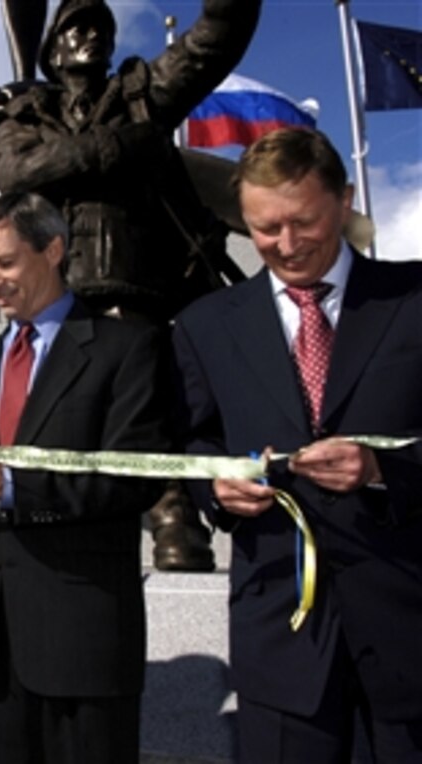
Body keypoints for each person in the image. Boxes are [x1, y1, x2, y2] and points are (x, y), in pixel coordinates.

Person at [172, 127, 422, 762]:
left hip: (409, 638)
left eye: (303, 221)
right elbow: (194, 441)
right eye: (264, 229)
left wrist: (382, 468)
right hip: (279, 648)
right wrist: (216, 487)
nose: (285, 246)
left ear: (344, 199)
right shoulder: (205, 326)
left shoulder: (413, 301)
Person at [0, 0, 262, 570]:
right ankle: (11, 514)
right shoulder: (26, 115)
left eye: (99, 27)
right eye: (74, 27)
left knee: (145, 411)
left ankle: (173, 517)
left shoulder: (143, 93)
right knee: (44, 415)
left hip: (136, 288)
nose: (89, 35)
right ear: (53, 48)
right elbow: (16, 173)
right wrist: (116, 148)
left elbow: (215, 38)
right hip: (54, 302)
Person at [0, 192, 171, 763]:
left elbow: (133, 480)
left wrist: (1, 486)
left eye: (4, 263)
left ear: (53, 250)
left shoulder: (126, 349)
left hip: (83, 643)